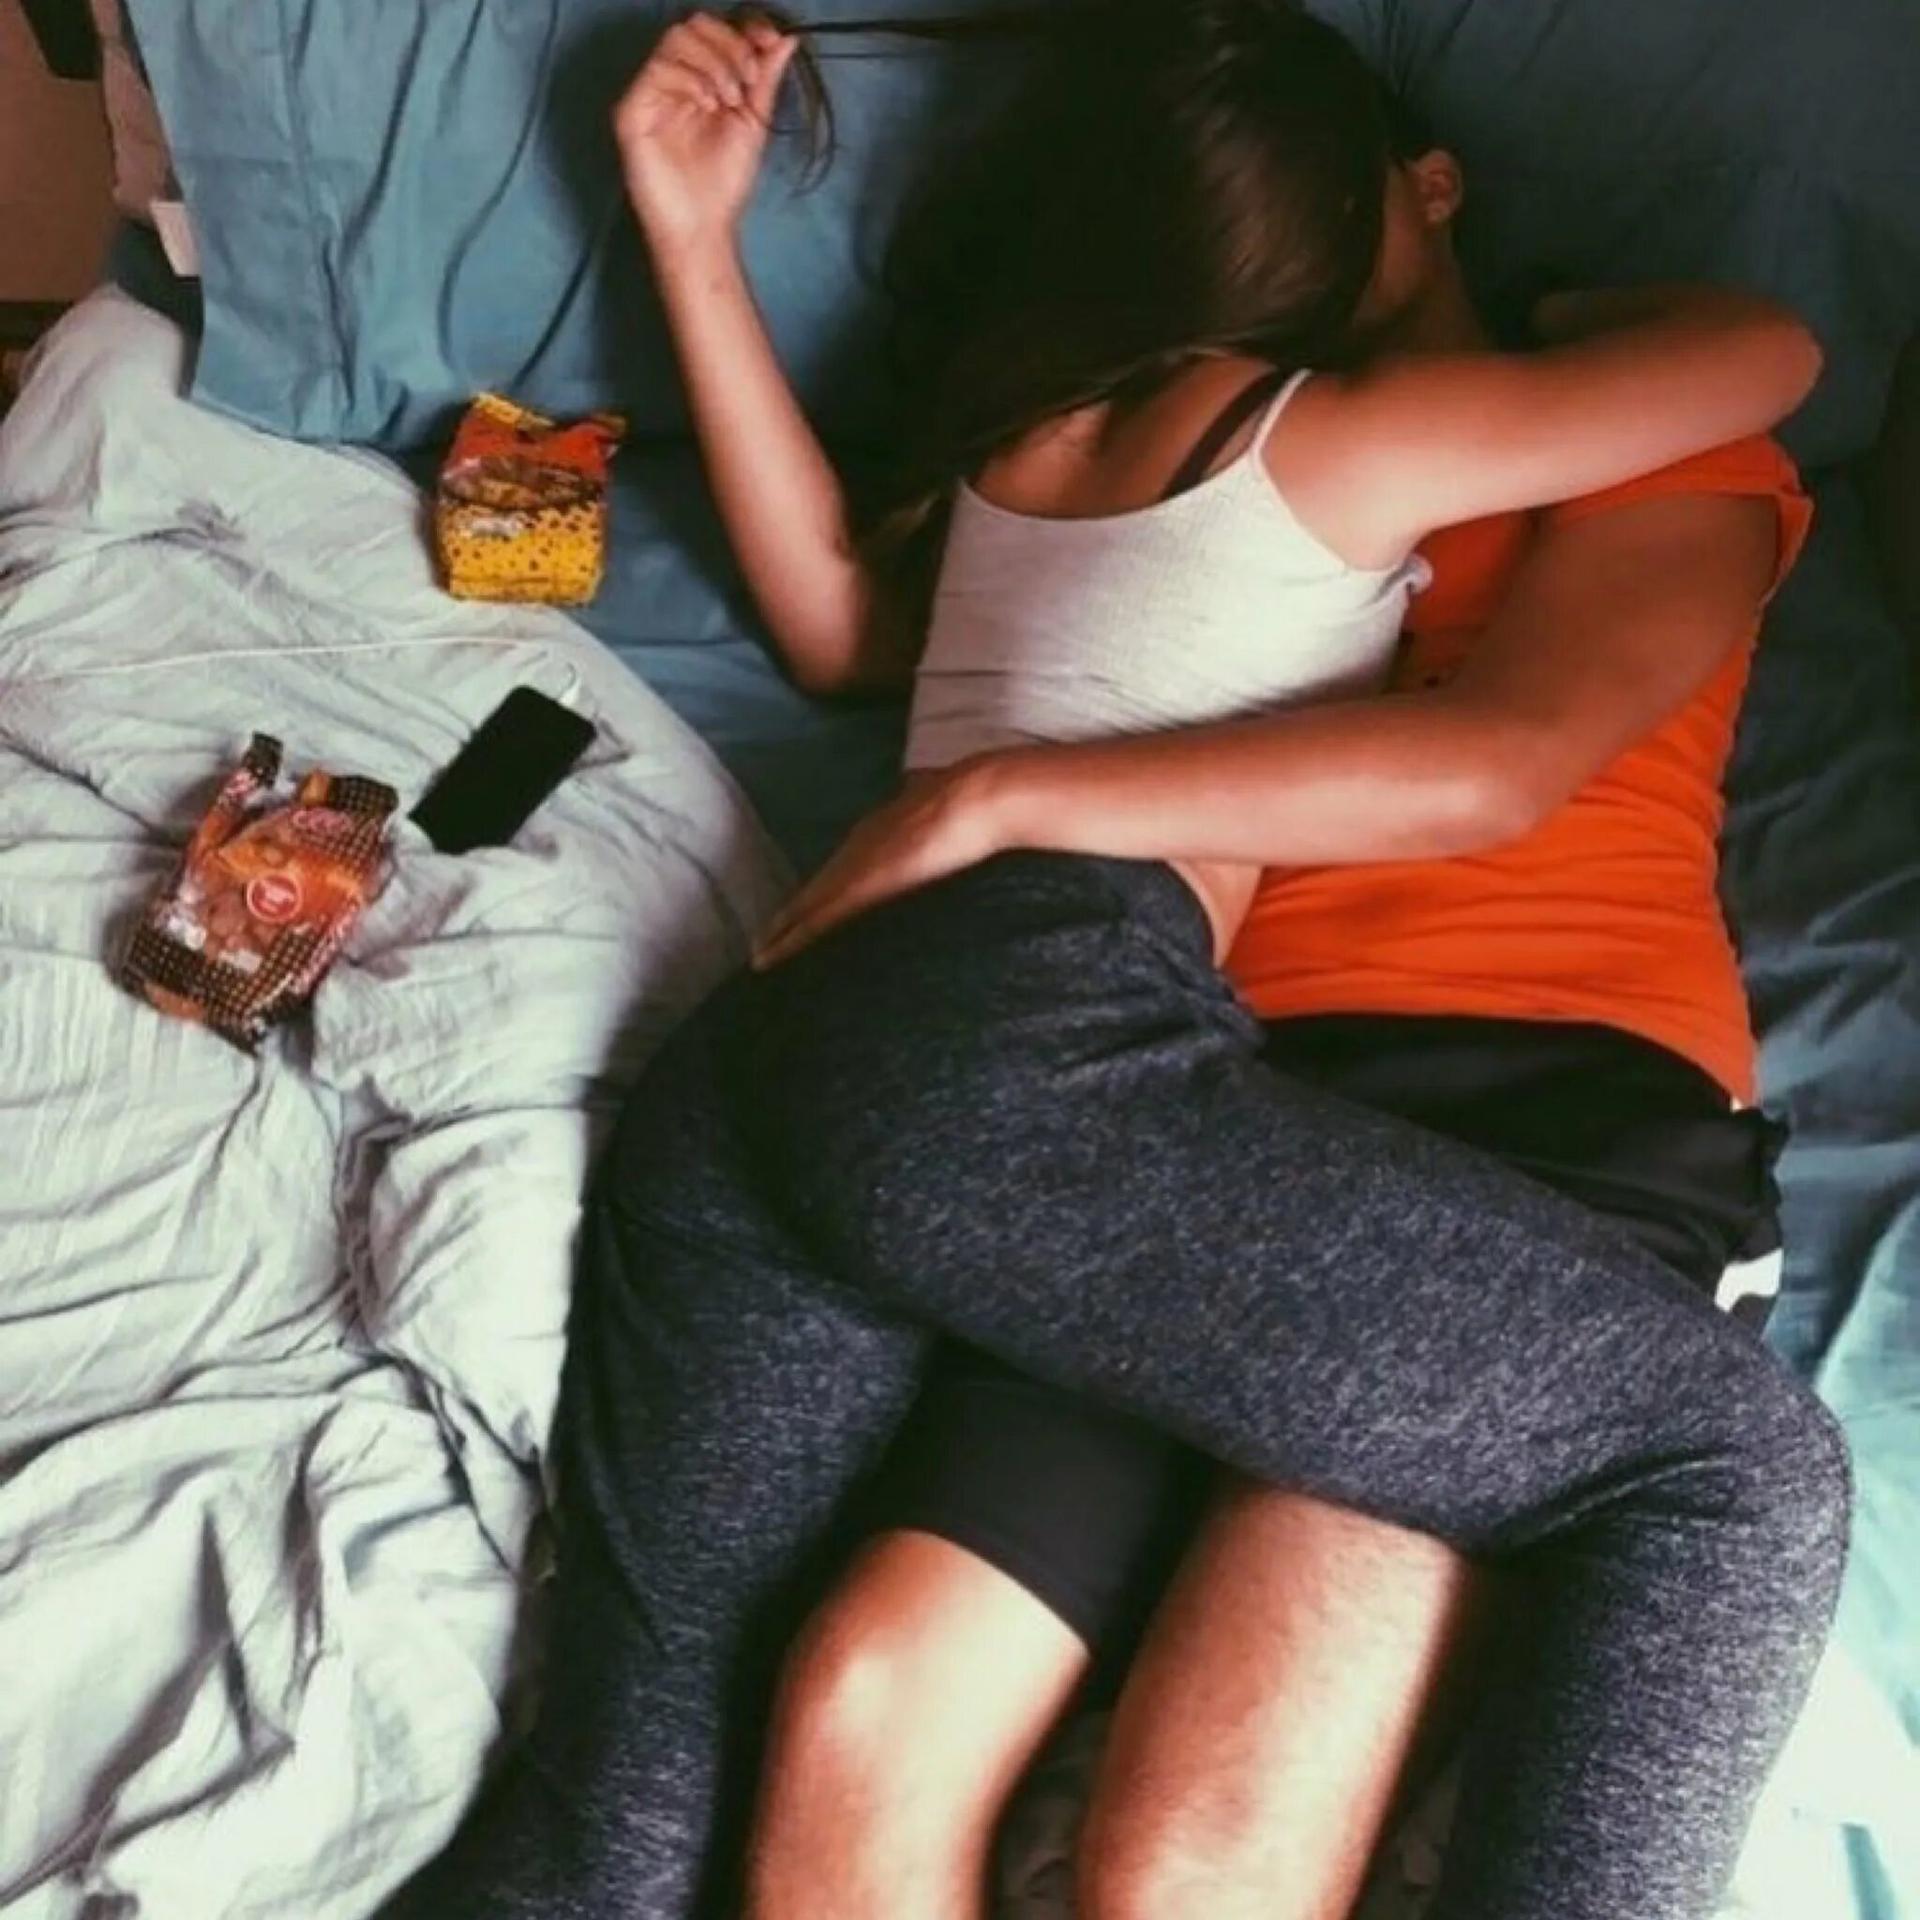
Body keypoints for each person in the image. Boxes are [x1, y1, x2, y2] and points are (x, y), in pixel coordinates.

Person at [384, 6, 1845, 1920]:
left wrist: (1006, 798)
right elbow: (854, 631)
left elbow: (1504, 758)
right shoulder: (1205, 449)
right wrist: (695, 242)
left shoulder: (1637, 443)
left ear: (1430, 188)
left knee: (1189, 1847)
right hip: (1180, 1107)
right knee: (869, 1707)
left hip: (1543, 1099)